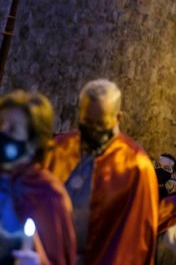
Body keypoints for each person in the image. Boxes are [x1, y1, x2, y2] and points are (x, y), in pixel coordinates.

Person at [46, 79, 158, 264]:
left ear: (118, 118)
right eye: (87, 121)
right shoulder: (60, 148)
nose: (92, 130)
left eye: (100, 123)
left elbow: (137, 236)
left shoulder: (135, 165)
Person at [0, 90, 76, 264]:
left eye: (12, 129)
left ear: (34, 143)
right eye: (1, 124)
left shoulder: (47, 193)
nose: (2, 133)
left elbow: (58, 258)